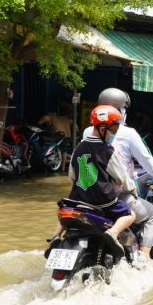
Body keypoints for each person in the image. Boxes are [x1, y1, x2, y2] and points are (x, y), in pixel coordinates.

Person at [83, 88, 153, 262]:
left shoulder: (88, 132)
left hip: (87, 195)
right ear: (120, 111)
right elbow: (149, 166)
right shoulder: (127, 133)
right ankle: (144, 257)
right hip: (113, 196)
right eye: (124, 109)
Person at [55, 105, 136, 253]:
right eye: (114, 131)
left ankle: (56, 235)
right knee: (131, 214)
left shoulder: (78, 148)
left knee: (67, 209)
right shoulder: (107, 151)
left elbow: (72, 177)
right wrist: (132, 188)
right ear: (103, 129)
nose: (114, 135)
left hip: (79, 198)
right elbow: (122, 177)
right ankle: (113, 233)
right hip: (103, 201)